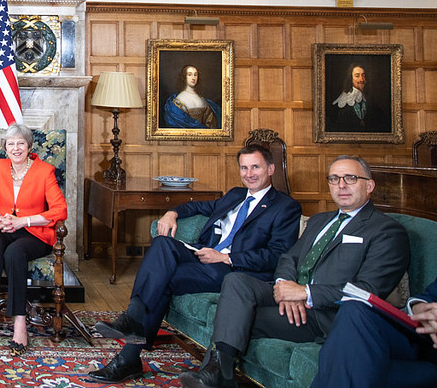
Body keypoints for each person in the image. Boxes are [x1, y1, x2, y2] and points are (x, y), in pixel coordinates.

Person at [179, 155, 410, 388]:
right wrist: (284, 284)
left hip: (326, 313)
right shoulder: (321, 221)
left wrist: (304, 293)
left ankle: (216, 374)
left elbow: (368, 291)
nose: (341, 185)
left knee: (235, 317)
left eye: (350, 178)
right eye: (334, 179)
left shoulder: (387, 231)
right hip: (291, 293)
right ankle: (220, 375)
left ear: (369, 185)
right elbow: (289, 257)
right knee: (236, 281)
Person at [88, 144, 302, 384]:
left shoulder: (285, 207)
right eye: (244, 168)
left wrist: (225, 257)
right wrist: (172, 213)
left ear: (270, 169)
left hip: (235, 270)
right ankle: (132, 322)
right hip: (204, 256)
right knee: (162, 243)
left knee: (164, 278)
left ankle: (129, 354)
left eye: (256, 167)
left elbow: (277, 255)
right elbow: (197, 206)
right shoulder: (235, 195)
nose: (249, 174)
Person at [0, 123, 68, 356]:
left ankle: (20, 324)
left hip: (33, 233)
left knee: (14, 253)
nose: (16, 148)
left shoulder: (44, 171)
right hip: (1, 227)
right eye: (10, 144)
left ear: (29, 146)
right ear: (5, 148)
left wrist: (25, 221)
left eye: (20, 143)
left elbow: (60, 210)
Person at [310, 274, 437, 388]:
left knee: (345, 368)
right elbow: (430, 296)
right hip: (420, 339)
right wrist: (419, 307)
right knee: (354, 310)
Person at [329, 63, 387, 133]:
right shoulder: (344, 102)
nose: (361, 79)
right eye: (357, 76)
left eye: (363, 75)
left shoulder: (369, 99)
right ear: (351, 79)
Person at [162, 65, 221, 129]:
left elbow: (210, 121)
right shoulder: (178, 100)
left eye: (195, 75)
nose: (193, 78)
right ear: (184, 77)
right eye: (189, 75)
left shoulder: (202, 99)